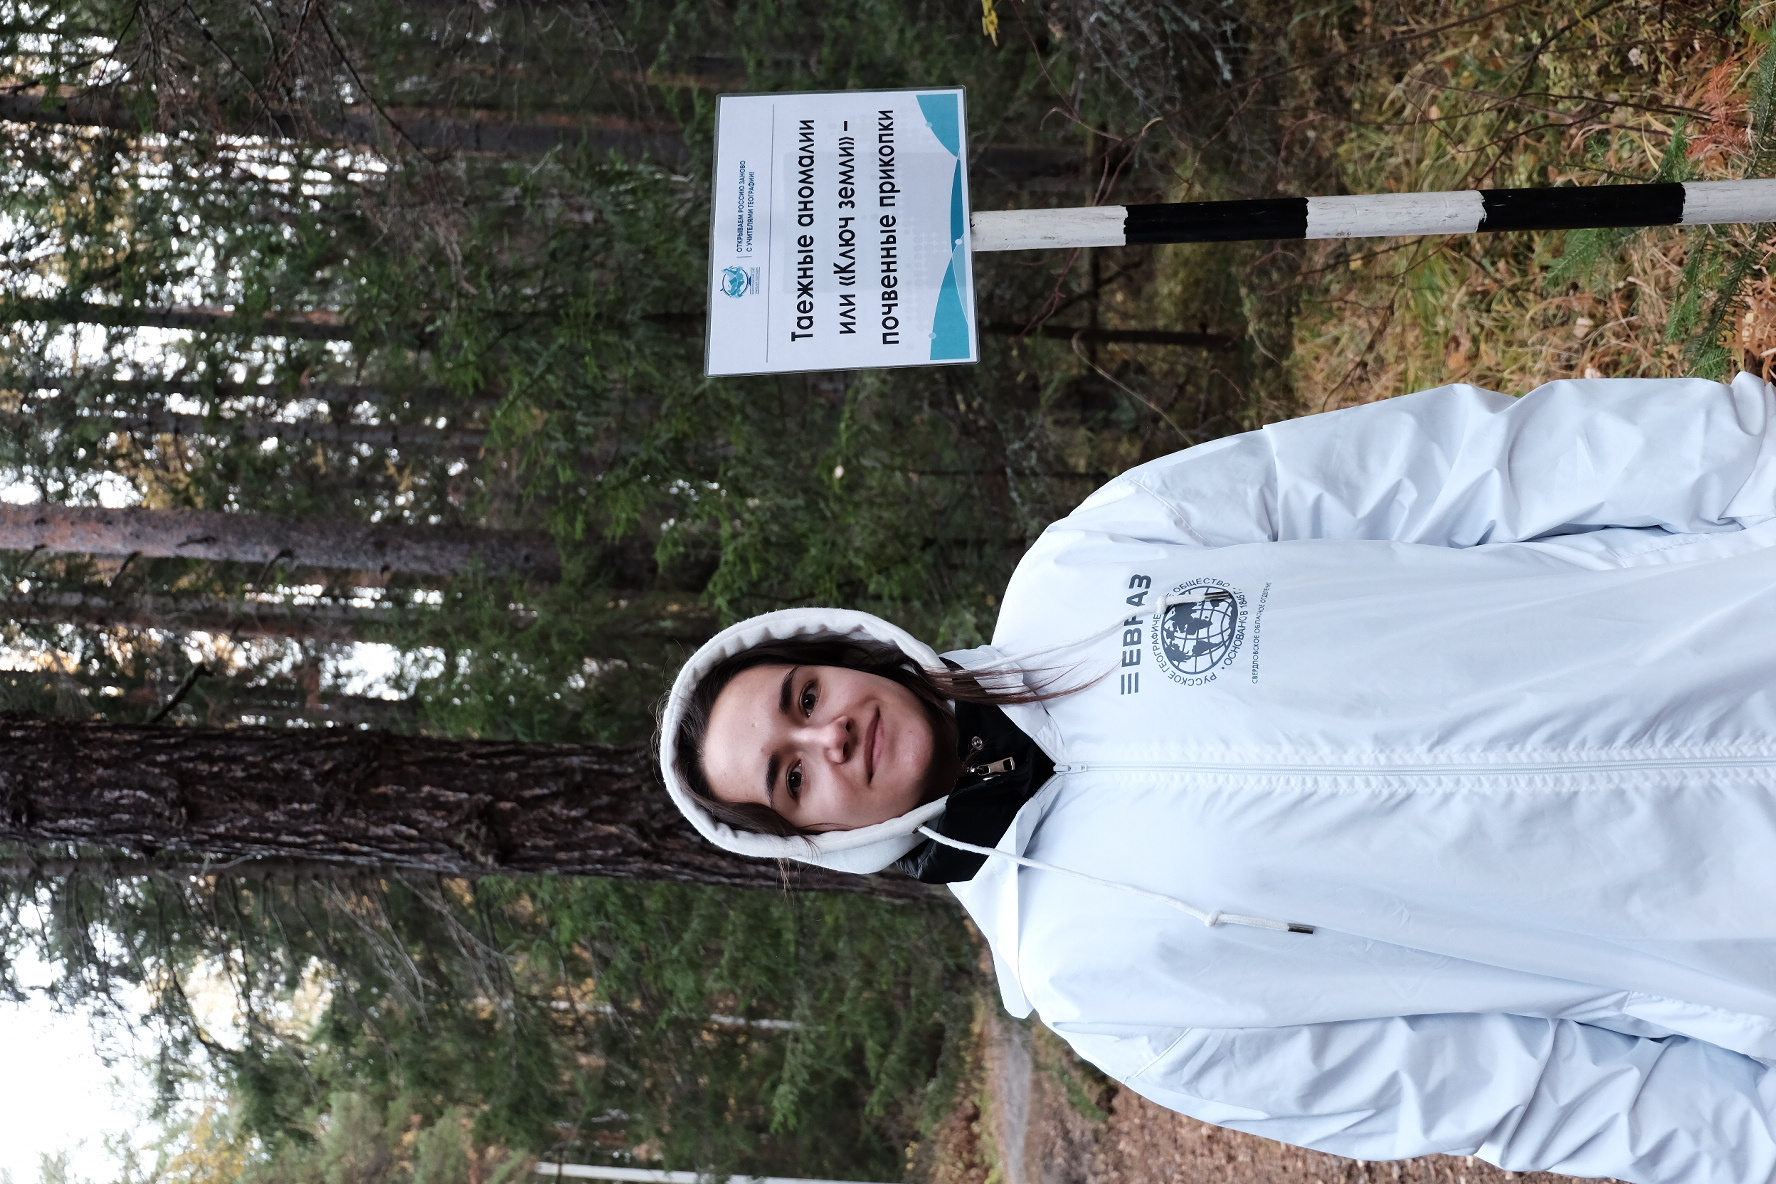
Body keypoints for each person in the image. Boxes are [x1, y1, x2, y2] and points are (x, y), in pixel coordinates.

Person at [658, 372, 1776, 1184]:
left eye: (803, 695)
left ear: (843, 649)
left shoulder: (1087, 568)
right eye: (790, 778)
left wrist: (1752, 457)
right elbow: (1500, 1088)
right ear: (814, 836)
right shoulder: (1097, 982)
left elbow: (1461, 465)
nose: (829, 739)